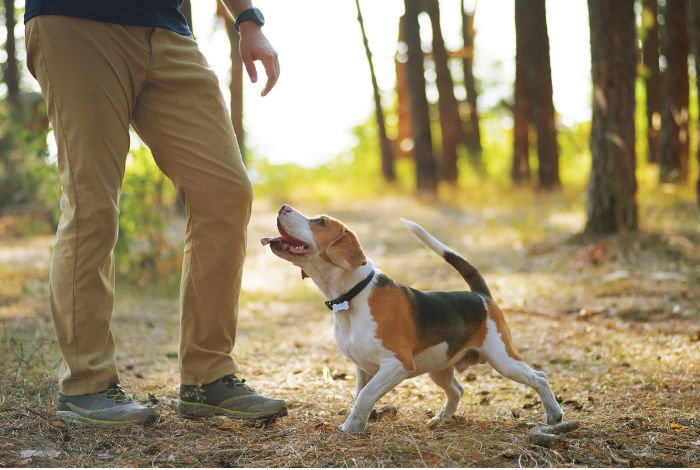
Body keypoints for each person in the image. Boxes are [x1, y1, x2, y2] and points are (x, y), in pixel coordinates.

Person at [24, 0, 285, 426]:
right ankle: (85, 385)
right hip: (76, 20)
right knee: (92, 203)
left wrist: (248, 20)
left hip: (166, 28)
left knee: (225, 192)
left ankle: (208, 376)